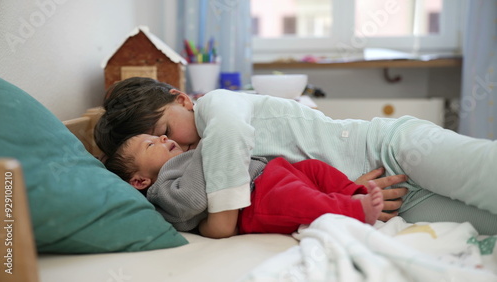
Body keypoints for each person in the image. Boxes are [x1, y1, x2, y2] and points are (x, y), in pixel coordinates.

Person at [95, 77, 497, 236]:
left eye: (165, 132)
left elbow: (231, 135)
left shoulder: (215, 107)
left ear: (182, 99)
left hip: (388, 146)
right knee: (485, 224)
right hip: (384, 195)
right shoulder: (197, 158)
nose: (172, 147)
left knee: (484, 174)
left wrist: (219, 223)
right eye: (156, 146)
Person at [104, 134, 385, 237]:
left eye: (159, 135)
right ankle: (355, 210)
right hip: (256, 199)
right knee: (298, 199)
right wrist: (211, 145)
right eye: (151, 144)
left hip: (270, 172)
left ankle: (355, 193)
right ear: (140, 181)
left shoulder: (184, 159)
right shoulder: (162, 188)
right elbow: (193, 200)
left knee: (314, 168)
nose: (163, 139)